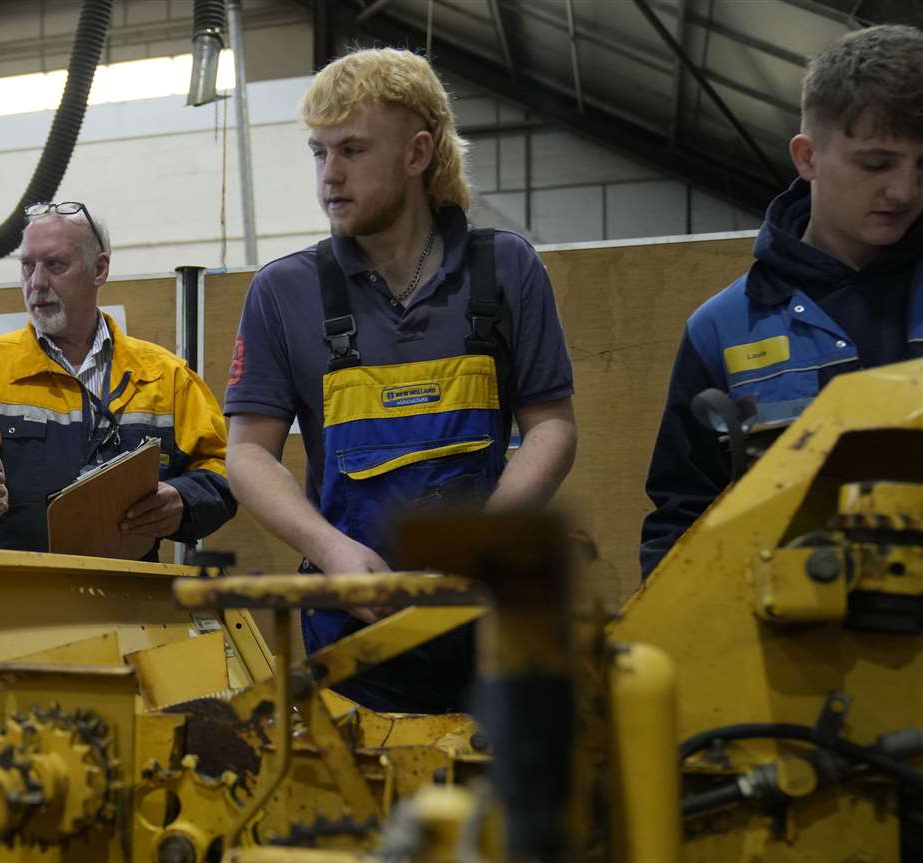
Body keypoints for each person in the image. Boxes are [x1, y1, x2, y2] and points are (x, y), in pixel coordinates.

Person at [224, 47, 577, 714]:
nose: (330, 175)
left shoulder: (505, 271)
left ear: (418, 154)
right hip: (353, 639)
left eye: (352, 150)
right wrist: (329, 548)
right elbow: (245, 454)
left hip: (493, 631)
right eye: (318, 153)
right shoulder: (284, 292)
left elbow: (552, 427)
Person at [640, 24, 923, 577]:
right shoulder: (721, 331)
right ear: (807, 157)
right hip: (795, 646)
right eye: (876, 164)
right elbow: (682, 516)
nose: (904, 192)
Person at [0, 202, 235, 555]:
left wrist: (184, 501)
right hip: (18, 595)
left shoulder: (166, 377)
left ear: (100, 268)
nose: (37, 282)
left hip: (129, 597)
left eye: (55, 265)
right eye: (27, 266)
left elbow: (223, 472)